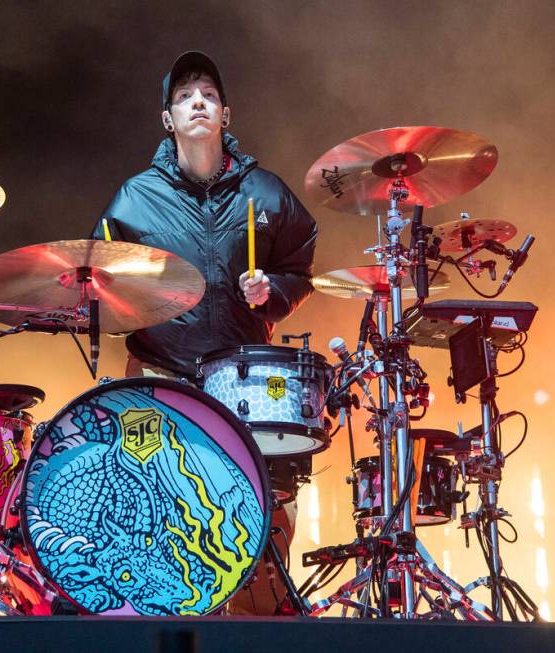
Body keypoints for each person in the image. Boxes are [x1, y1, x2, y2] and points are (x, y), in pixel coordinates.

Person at [92, 51, 319, 615]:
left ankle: (252, 626)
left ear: (225, 114)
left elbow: (301, 270)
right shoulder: (133, 199)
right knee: (153, 523)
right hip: (158, 376)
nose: (198, 101)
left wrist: (276, 292)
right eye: (185, 96)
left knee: (247, 534)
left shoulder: (265, 194)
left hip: (240, 378)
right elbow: (96, 282)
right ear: (167, 119)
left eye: (209, 95)